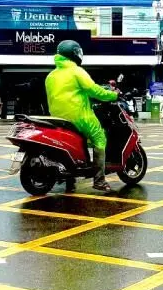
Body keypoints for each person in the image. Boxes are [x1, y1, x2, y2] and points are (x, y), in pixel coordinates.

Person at [45, 40, 118, 193]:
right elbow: (94, 91)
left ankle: (70, 181)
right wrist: (112, 95)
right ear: (74, 54)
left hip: (58, 119)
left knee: (70, 145)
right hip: (79, 117)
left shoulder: (50, 76)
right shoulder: (77, 71)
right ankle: (99, 180)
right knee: (100, 139)